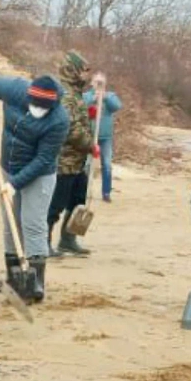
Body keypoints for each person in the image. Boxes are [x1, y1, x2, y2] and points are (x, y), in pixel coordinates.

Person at [0, 72, 69, 302]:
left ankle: (34, 284)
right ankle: (14, 278)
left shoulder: (59, 120)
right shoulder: (15, 89)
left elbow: (44, 159)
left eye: (43, 108)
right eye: (34, 105)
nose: (38, 110)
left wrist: (14, 184)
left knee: (33, 224)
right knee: (11, 223)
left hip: (39, 174)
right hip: (8, 166)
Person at [48, 51, 95, 257]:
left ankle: (68, 239)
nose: (87, 75)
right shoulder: (65, 94)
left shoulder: (76, 93)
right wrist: (90, 144)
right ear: (72, 70)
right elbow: (70, 128)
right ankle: (43, 241)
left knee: (78, 200)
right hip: (64, 160)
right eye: (84, 70)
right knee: (56, 203)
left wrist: (89, 114)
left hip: (78, 161)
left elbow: (80, 119)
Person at [83, 73, 122, 202]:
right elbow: (81, 105)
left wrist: (105, 98)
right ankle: (83, 190)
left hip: (105, 137)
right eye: (96, 82)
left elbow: (117, 106)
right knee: (86, 165)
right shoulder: (87, 96)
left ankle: (106, 193)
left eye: (101, 82)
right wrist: (93, 99)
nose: (98, 85)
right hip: (90, 135)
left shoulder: (110, 96)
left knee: (106, 164)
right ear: (92, 83)